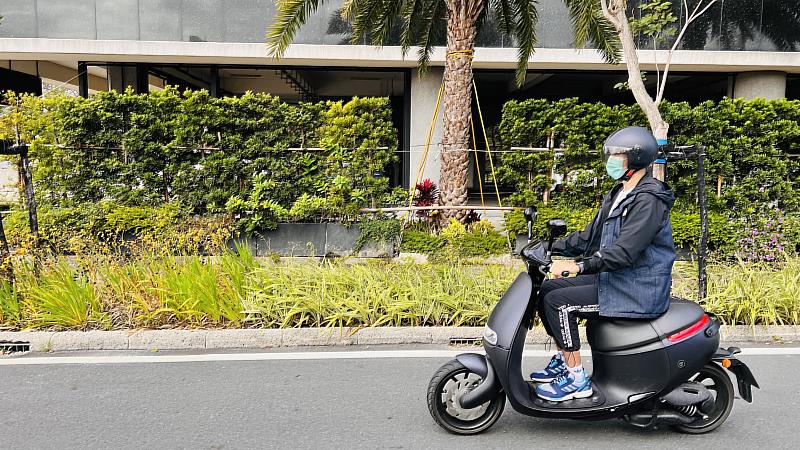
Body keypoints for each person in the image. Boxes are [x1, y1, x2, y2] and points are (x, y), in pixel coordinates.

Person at [530, 126, 676, 402]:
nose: (611, 160)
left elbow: (624, 252)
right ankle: (565, 359)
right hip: (619, 280)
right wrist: (549, 246)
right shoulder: (619, 192)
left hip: (637, 288)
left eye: (617, 155)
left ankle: (576, 380)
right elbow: (590, 238)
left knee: (559, 302)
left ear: (635, 159)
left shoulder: (648, 200)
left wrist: (579, 266)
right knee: (548, 290)